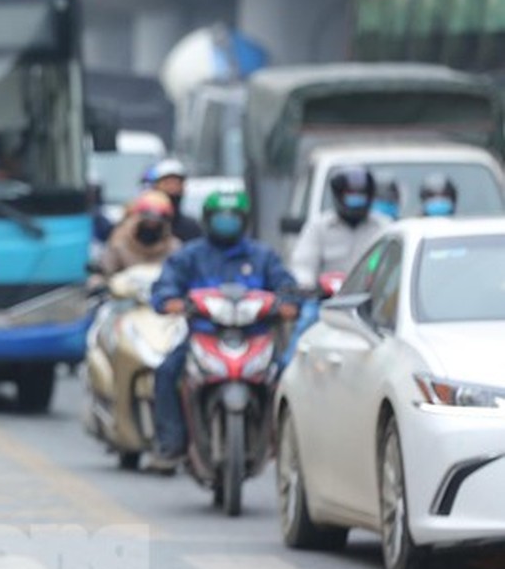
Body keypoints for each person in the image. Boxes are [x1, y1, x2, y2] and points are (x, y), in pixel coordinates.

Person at [148, 189, 298, 470]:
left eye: (232, 217)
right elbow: (166, 286)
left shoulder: (262, 256)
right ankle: (171, 444)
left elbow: (286, 287)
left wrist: (288, 303)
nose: (226, 222)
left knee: (291, 380)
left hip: (255, 338)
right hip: (204, 336)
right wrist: (171, 301)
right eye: (220, 217)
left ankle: (287, 447)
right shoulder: (191, 255)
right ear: (207, 219)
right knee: (168, 371)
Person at [284, 166, 389, 365]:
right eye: (351, 195)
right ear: (338, 195)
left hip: (372, 303)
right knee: (305, 325)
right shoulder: (319, 227)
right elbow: (303, 264)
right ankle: (288, 371)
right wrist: (307, 284)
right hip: (327, 302)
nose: (356, 200)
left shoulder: (383, 227)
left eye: (361, 195)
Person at [98, 190, 181, 277]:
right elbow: (105, 271)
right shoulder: (119, 242)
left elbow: (179, 277)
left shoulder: (173, 247)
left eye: (158, 219)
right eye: (147, 217)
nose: (152, 222)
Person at [143, 158, 204, 241]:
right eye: (167, 183)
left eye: (176, 183)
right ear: (156, 186)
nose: (172, 187)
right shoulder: (145, 223)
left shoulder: (191, 227)